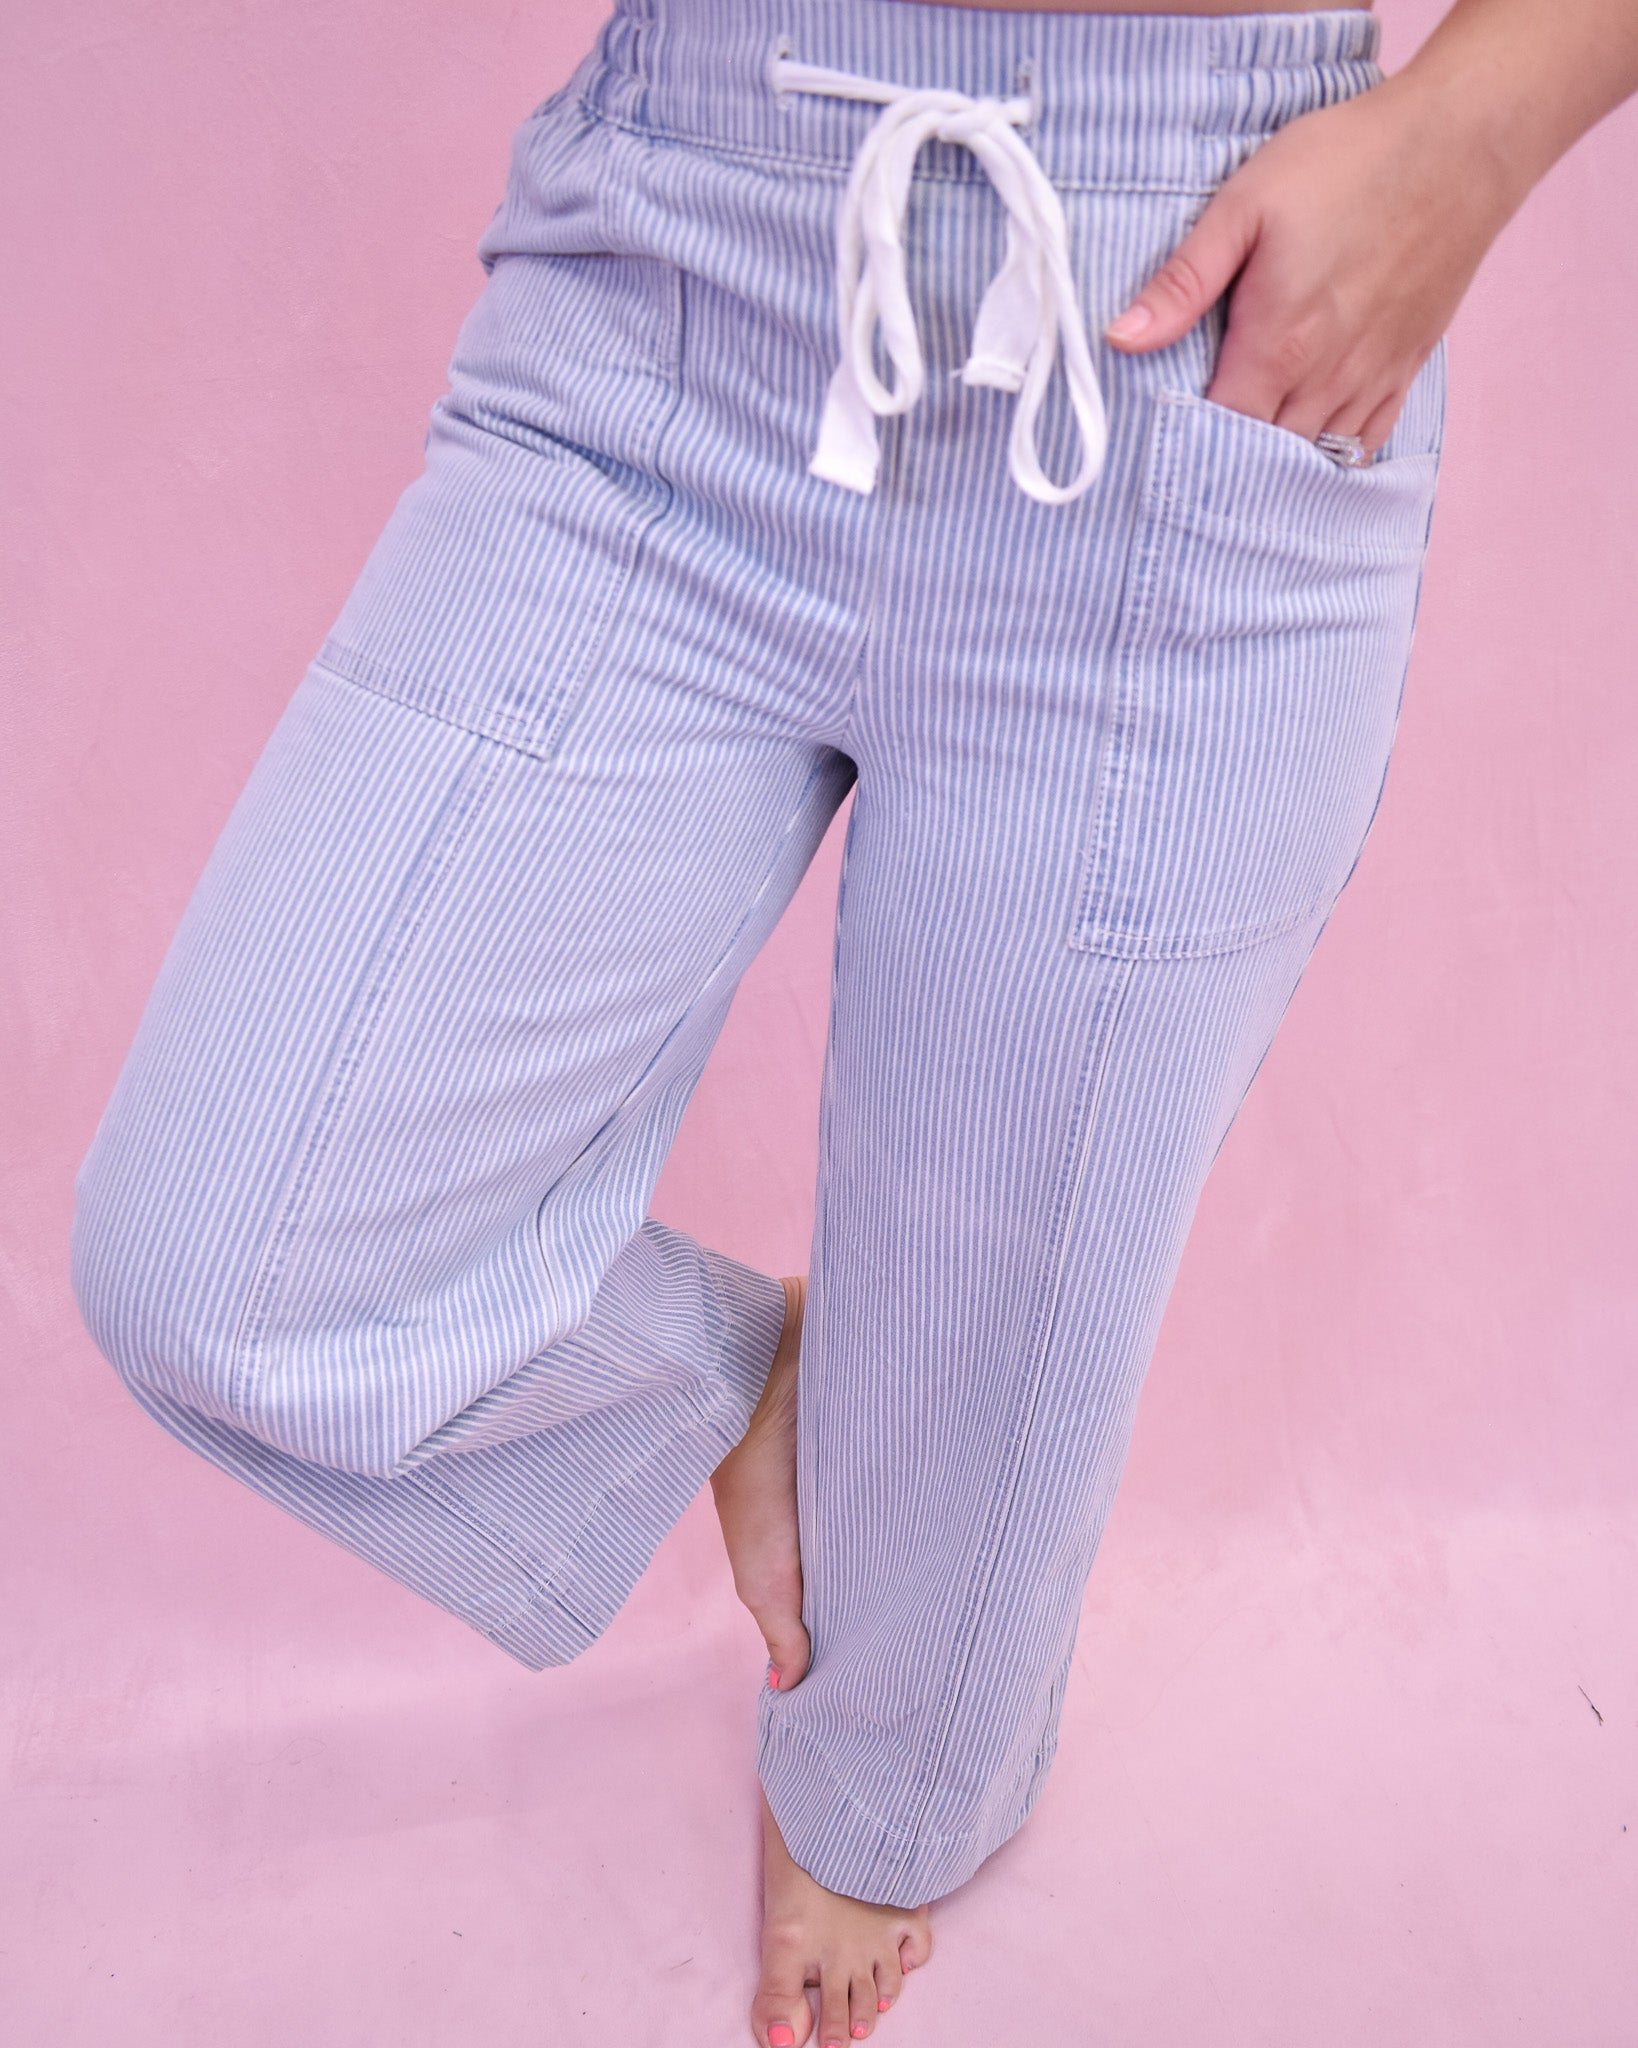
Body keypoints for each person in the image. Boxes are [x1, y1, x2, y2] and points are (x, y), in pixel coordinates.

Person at [68, 1, 1638, 2044]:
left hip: (1199, 307)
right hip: (690, 260)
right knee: (221, 1251)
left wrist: (1476, 130)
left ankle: (886, 1759)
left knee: (918, 1730)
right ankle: (742, 1384)